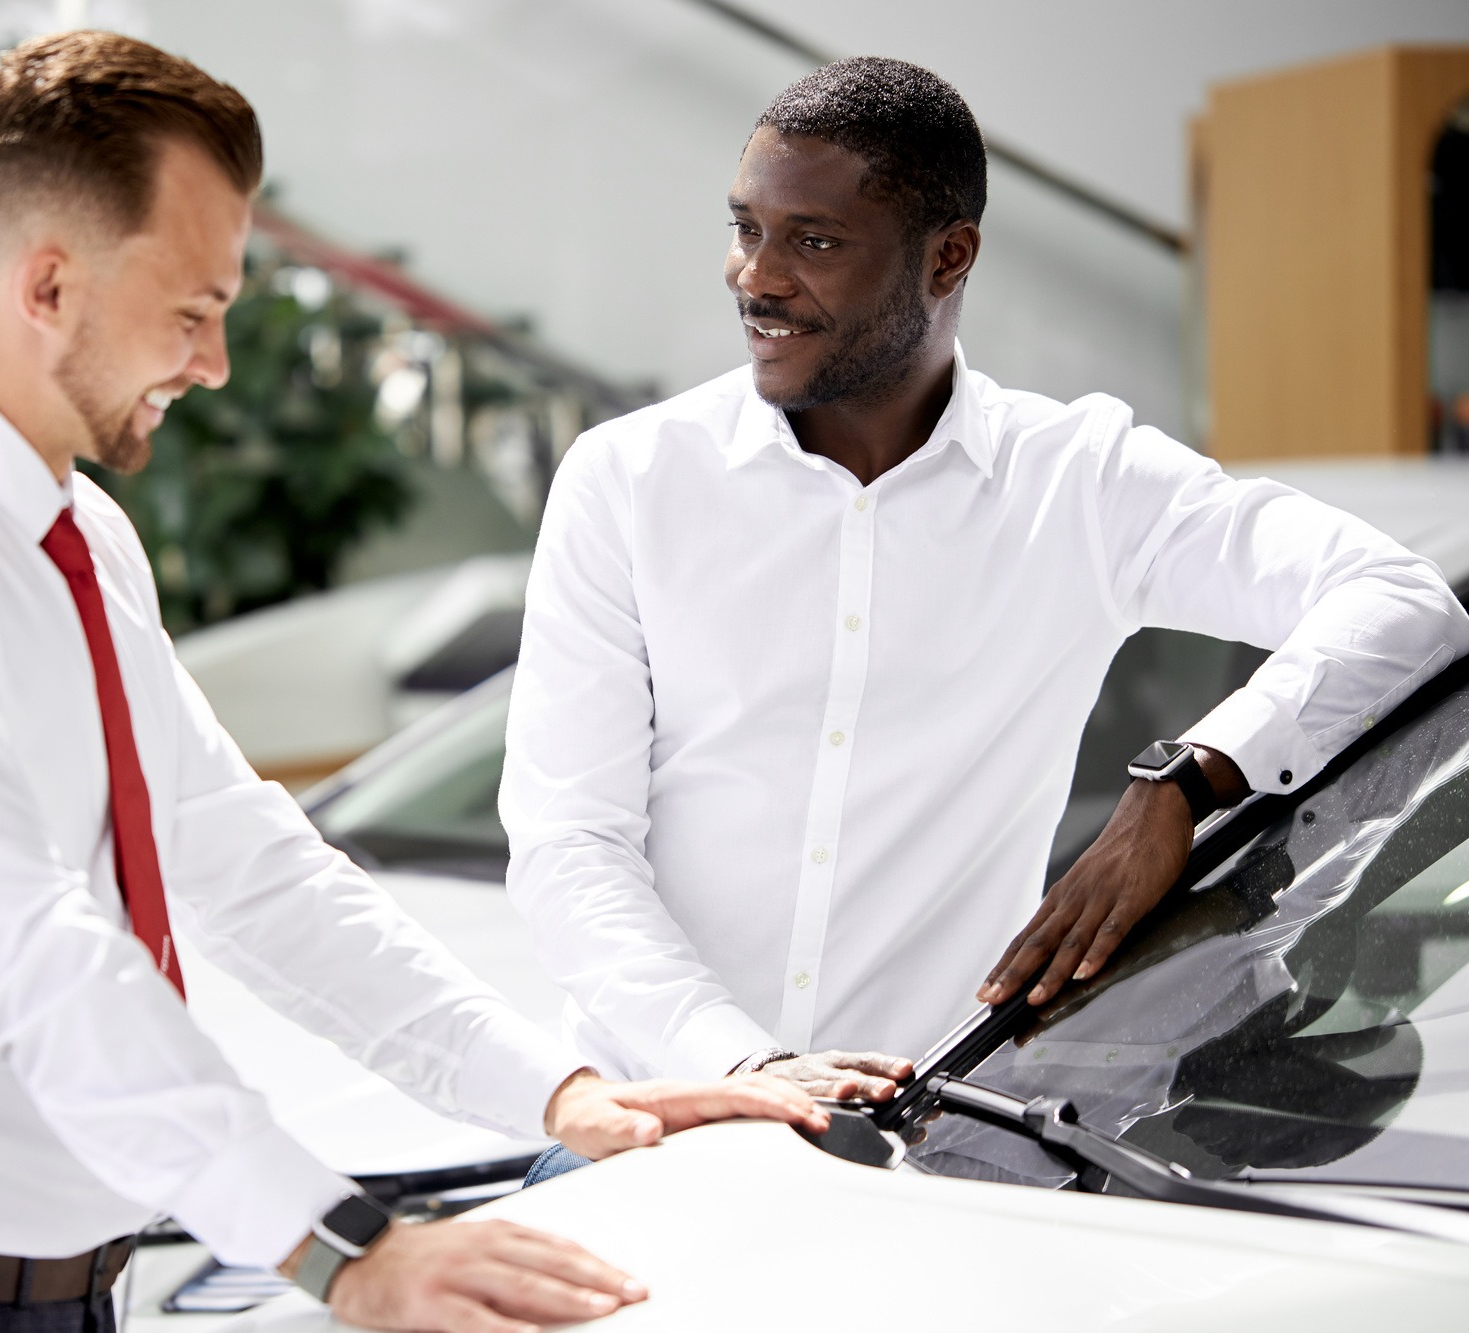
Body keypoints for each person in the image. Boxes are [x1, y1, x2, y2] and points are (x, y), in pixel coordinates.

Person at [0, 32, 858, 1333]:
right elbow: (16, 947)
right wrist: (341, 1249)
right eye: (194, 311)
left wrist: (564, 1096)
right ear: (50, 285)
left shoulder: (82, 545)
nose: (216, 363)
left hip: (72, 1300)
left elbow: (257, 874)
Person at [500, 57, 1469, 1095]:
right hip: (663, 1118)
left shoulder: (1079, 483)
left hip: (932, 1153)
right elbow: (569, 843)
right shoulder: (630, 479)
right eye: (745, 228)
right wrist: (740, 1064)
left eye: (812, 241)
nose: (756, 275)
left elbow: (1402, 603)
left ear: (947, 256)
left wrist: (1189, 776)